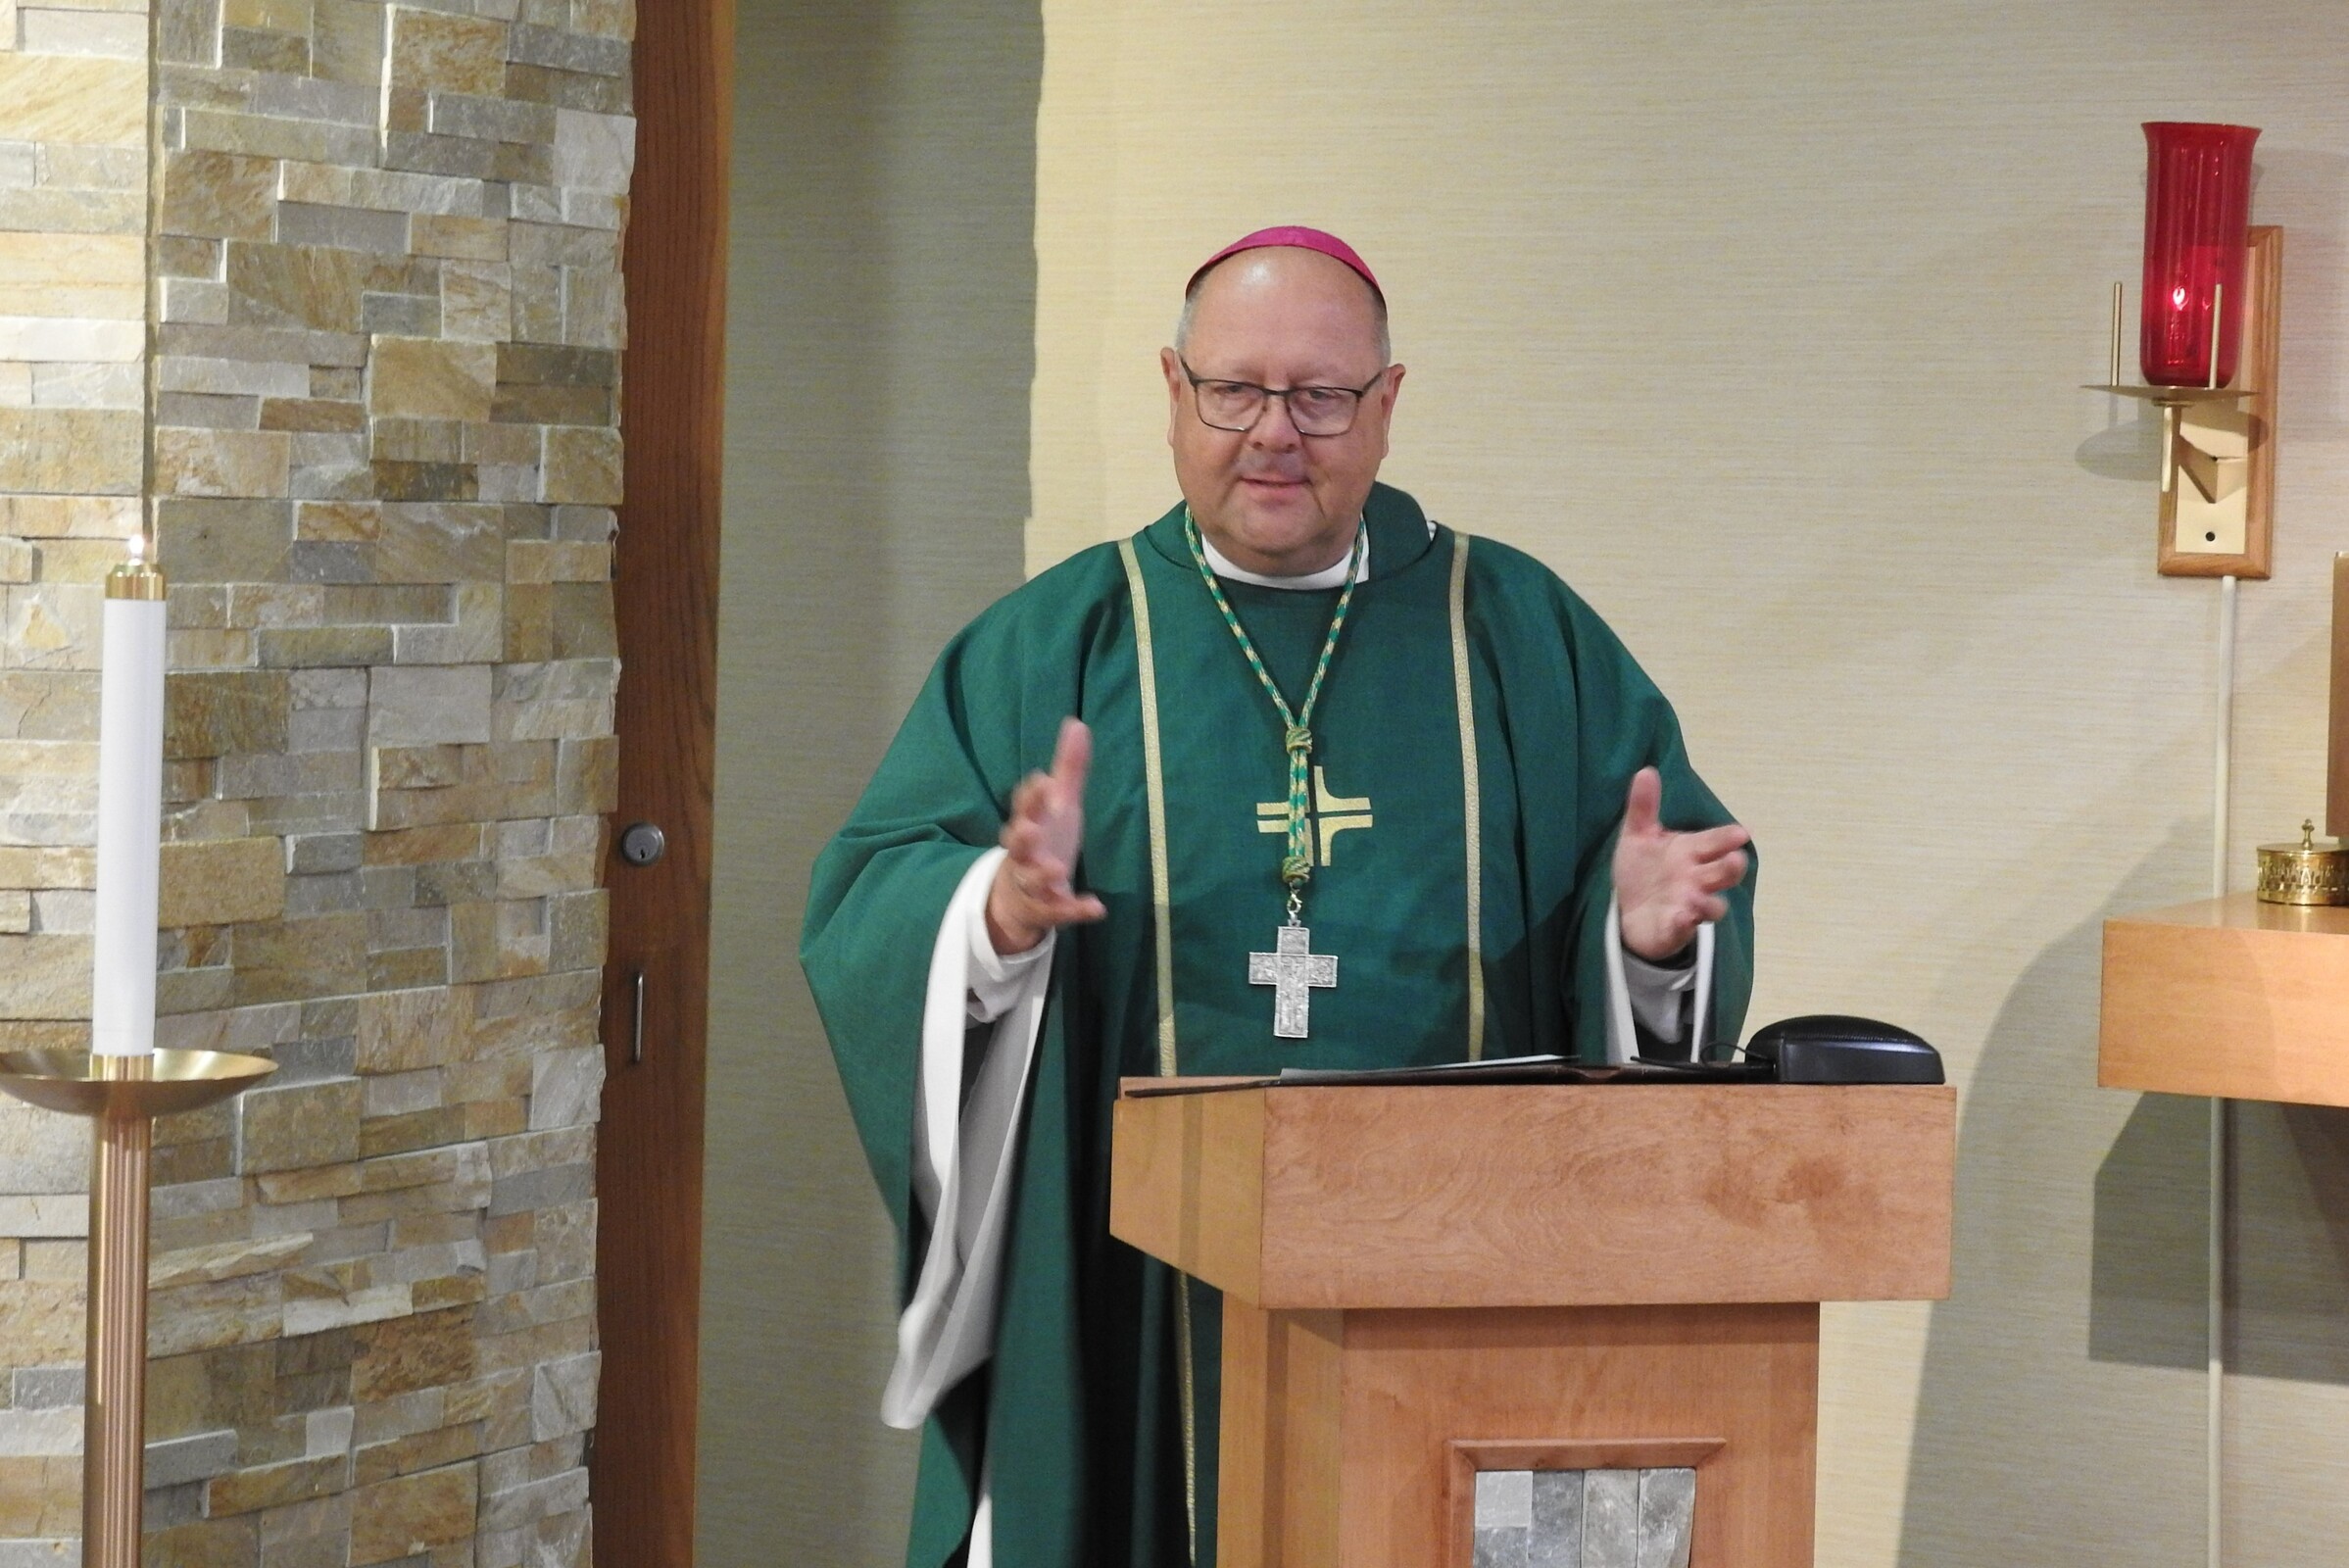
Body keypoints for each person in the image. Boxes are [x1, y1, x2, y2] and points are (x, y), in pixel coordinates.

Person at [803, 226, 1756, 1568]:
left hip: (1460, 1278)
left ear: (1387, 403)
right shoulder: (1056, 641)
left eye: (1319, 396)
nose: (1272, 433)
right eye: (1233, 390)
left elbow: (1666, 860)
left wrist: (1636, 942)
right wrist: (993, 919)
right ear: (1171, 389)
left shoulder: (1514, 629)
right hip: (1137, 1285)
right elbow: (872, 898)